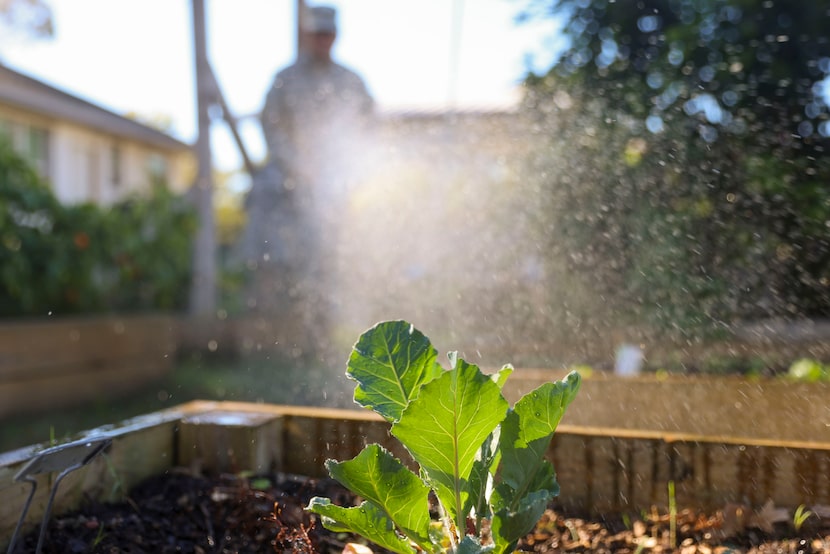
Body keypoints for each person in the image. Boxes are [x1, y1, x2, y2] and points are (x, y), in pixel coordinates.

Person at [240, 4, 374, 360]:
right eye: (316, 34)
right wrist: (296, 166)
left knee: (323, 262)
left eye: (327, 34)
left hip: (330, 187)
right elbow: (270, 124)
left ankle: (320, 341)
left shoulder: (350, 82)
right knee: (271, 252)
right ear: (306, 35)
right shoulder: (286, 79)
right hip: (285, 182)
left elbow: (367, 128)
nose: (322, 40)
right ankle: (268, 337)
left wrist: (343, 171)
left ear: (335, 36)